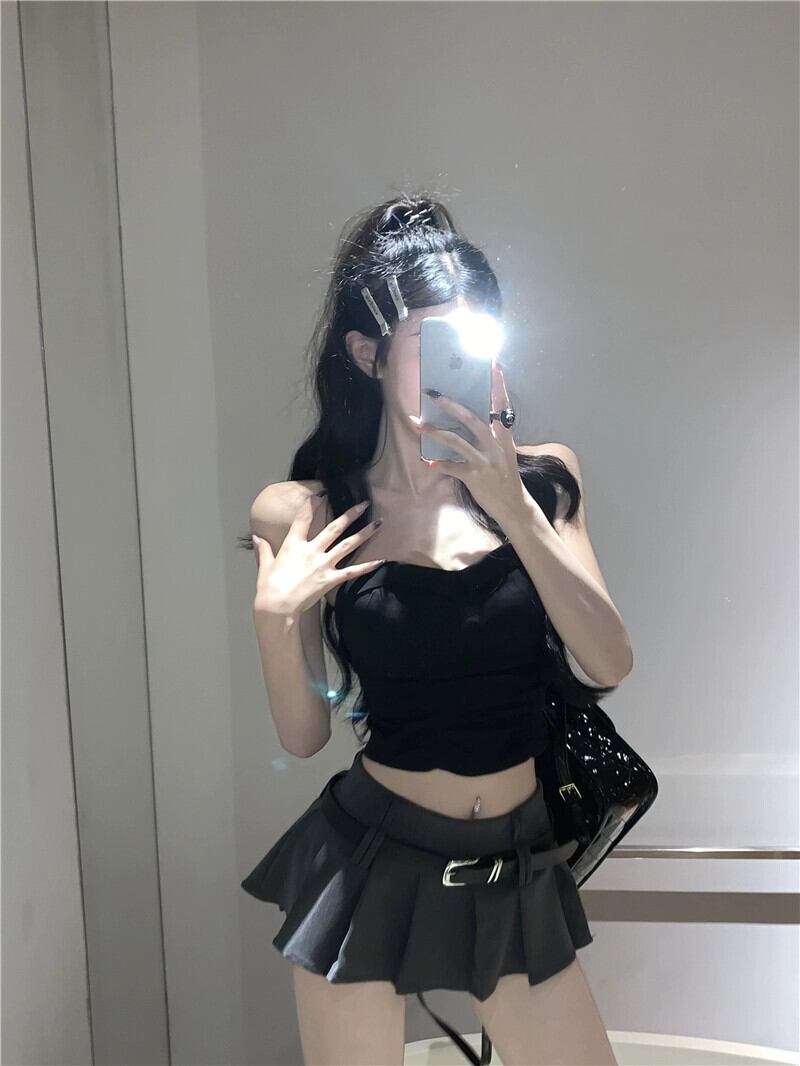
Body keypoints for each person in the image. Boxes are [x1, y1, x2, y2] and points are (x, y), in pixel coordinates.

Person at [239, 193, 631, 1065]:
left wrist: (510, 505)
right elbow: (304, 737)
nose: (459, 361)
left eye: (475, 338)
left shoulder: (546, 480)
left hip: (515, 860)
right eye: (431, 341)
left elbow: (609, 659)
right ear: (368, 354)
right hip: (370, 859)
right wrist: (273, 618)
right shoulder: (305, 511)